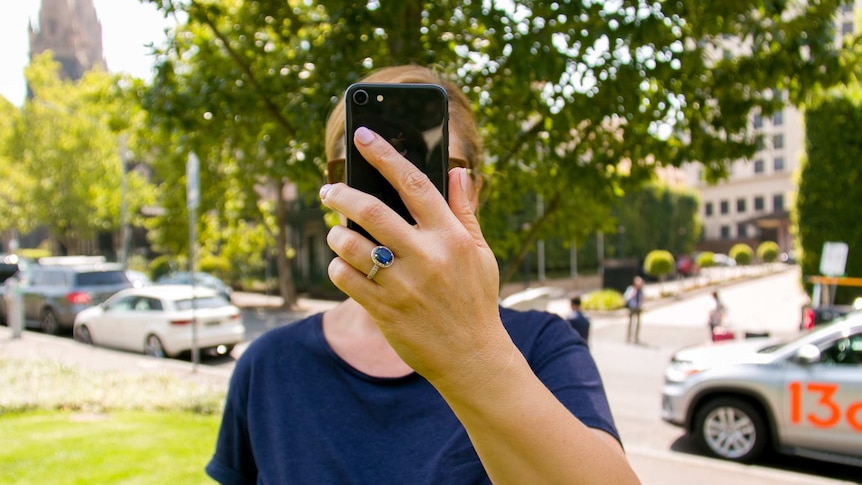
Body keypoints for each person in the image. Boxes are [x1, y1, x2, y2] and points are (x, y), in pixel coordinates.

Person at [206, 65, 639, 484]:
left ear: (475, 190)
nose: (400, 187)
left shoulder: (544, 345)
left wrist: (470, 354)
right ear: (335, 190)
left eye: (429, 169)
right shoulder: (267, 364)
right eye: (369, 169)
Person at [623, 276, 644, 344]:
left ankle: (636, 337)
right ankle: (628, 337)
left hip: (638, 308)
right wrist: (632, 295)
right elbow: (626, 297)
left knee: (638, 324)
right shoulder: (631, 289)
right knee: (630, 323)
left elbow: (642, 299)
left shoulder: (640, 291)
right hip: (631, 308)